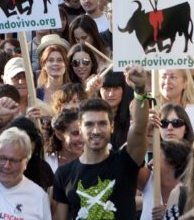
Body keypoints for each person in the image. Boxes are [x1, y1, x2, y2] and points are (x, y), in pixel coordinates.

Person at [52, 65, 149, 219]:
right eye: (89, 124)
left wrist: (140, 89)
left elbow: (139, 127)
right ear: (81, 128)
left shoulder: (126, 161)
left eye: (102, 123)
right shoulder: (64, 174)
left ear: (112, 127)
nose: (96, 131)